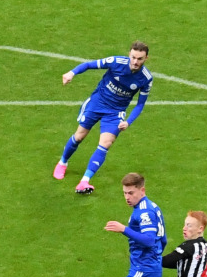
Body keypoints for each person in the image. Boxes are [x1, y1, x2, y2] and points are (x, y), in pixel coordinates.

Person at [53, 42, 153, 194]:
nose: (135, 62)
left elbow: (140, 104)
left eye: (140, 58)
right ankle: (63, 162)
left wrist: (128, 122)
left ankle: (84, 181)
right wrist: (71, 73)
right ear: (129, 54)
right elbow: (88, 65)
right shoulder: (115, 62)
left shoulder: (146, 79)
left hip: (116, 112)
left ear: (146, 58)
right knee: (79, 136)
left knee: (106, 143)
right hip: (97, 103)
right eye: (133, 57)